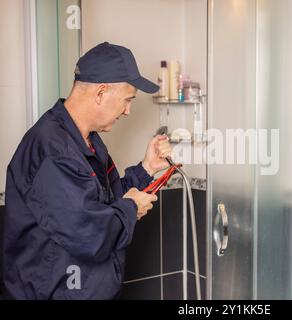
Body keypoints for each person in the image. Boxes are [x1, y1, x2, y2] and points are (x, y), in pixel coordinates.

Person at [3, 42, 172, 299]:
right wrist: (132, 207)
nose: (128, 111)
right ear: (101, 93)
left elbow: (106, 201)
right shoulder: (52, 149)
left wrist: (146, 168)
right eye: (127, 101)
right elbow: (89, 234)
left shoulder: (87, 141)